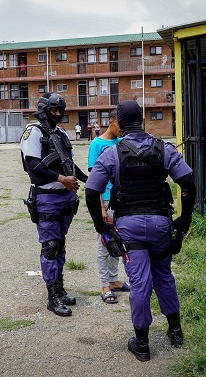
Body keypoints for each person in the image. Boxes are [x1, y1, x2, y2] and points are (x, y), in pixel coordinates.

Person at [84, 100, 196, 362]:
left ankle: (142, 344)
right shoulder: (163, 149)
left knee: (140, 283)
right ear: (143, 121)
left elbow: (91, 191)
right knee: (164, 277)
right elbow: (188, 182)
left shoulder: (111, 154)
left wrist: (102, 227)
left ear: (120, 124)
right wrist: (184, 222)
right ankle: (176, 331)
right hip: (160, 225)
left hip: (129, 228)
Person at [20, 92, 89, 317]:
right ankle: (52, 296)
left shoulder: (60, 133)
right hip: (47, 197)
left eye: (61, 111)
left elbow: (69, 164)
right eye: (54, 111)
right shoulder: (34, 132)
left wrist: (90, 180)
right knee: (50, 246)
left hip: (65, 198)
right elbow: (33, 165)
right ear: (43, 110)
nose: (58, 115)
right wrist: (61, 179)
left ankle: (59, 287)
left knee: (60, 245)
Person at [87, 109, 129, 304]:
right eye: (120, 124)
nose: (123, 129)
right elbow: (93, 182)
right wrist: (100, 207)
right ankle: (105, 285)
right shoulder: (97, 145)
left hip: (121, 200)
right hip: (105, 200)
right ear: (110, 122)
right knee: (105, 243)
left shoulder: (122, 143)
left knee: (119, 241)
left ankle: (113, 280)